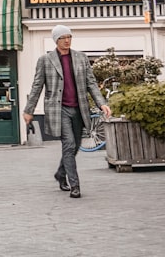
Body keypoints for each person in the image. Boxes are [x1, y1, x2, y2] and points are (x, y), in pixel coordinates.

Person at [24, 24, 111, 199]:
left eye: (69, 37)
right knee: (69, 144)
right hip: (59, 110)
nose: (67, 40)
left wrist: (102, 103)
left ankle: (60, 174)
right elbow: (37, 86)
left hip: (79, 109)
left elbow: (91, 83)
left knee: (75, 145)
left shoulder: (81, 58)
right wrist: (29, 110)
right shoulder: (45, 60)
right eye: (63, 38)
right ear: (56, 40)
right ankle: (75, 185)